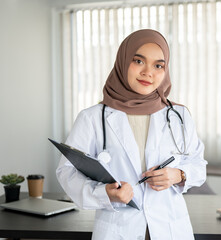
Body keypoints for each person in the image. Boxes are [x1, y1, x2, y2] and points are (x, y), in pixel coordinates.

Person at [56, 29, 207, 240]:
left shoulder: (178, 115)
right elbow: (67, 172)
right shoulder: (92, 118)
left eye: (158, 65)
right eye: (138, 61)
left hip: (171, 229)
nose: (148, 72)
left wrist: (179, 175)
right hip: (117, 229)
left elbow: (199, 165)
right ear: (123, 61)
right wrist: (105, 193)